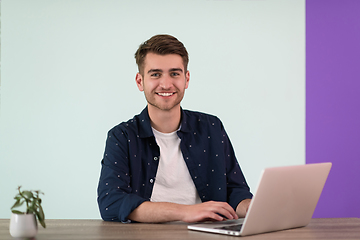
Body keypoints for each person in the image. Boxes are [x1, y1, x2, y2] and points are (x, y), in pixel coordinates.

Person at [97, 34, 252, 223]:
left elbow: (236, 191)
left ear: (186, 79)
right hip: (146, 236)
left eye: (174, 73)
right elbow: (111, 203)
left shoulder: (211, 127)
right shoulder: (121, 136)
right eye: (155, 74)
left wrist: (254, 207)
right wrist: (187, 212)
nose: (166, 84)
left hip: (207, 235)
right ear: (140, 81)